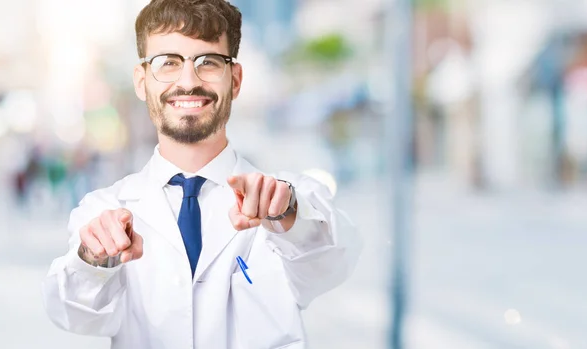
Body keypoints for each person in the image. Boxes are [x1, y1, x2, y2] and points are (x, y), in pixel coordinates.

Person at [42, 1, 362, 348]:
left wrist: (287, 213)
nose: (188, 82)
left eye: (208, 62)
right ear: (141, 81)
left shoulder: (285, 198)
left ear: (235, 79)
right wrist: (93, 260)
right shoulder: (104, 209)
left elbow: (333, 260)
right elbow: (72, 313)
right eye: (168, 63)